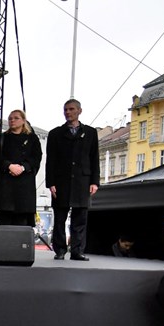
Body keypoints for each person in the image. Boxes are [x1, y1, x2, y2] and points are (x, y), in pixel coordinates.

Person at [45, 99, 100, 261]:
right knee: (60, 218)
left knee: (80, 218)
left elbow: (94, 158)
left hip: (82, 181)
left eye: (71, 109)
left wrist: (94, 181)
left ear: (79, 111)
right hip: (61, 181)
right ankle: (60, 250)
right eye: (65, 110)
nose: (68, 112)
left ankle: (77, 251)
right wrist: (51, 183)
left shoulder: (90, 132)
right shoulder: (55, 133)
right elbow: (51, 160)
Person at [0, 109, 42, 227]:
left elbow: (36, 157)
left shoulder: (32, 138)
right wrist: (9, 166)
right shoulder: (1, 137)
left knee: (22, 221)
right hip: (5, 184)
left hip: (24, 185)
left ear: (23, 120)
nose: (12, 120)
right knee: (5, 220)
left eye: (16, 118)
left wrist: (23, 167)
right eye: (10, 118)